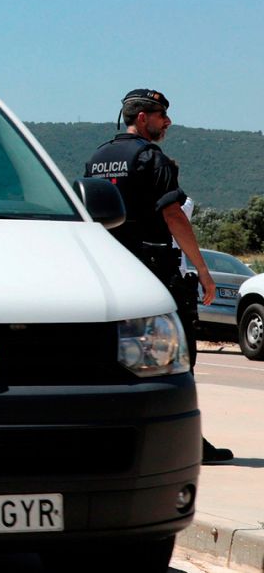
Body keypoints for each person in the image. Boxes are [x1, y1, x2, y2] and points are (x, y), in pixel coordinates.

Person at [85, 88, 231, 465]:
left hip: (111, 268)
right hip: (153, 269)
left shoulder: (98, 158)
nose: (167, 122)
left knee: (113, 354)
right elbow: (173, 215)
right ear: (142, 117)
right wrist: (201, 269)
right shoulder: (152, 158)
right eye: (162, 115)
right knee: (179, 354)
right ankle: (185, 442)